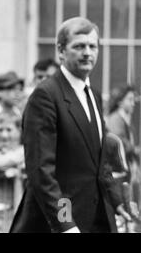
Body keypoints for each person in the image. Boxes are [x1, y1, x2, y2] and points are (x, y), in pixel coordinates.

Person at [10, 16, 135, 233]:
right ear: (61, 51)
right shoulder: (46, 96)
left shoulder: (93, 95)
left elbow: (100, 162)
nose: (87, 52)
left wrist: (116, 201)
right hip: (58, 225)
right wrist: (65, 223)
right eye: (79, 46)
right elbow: (41, 173)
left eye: (92, 46)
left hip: (97, 220)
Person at [107, 85, 141, 209]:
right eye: (130, 100)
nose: (133, 104)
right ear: (120, 101)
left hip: (123, 175)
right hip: (116, 175)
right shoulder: (115, 119)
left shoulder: (126, 122)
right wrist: (136, 151)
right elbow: (118, 145)